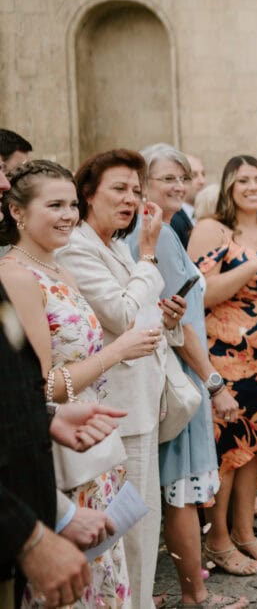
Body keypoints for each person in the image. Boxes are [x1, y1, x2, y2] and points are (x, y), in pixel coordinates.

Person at [0, 159, 168, 607]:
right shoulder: (16, 277)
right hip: (59, 457)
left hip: (97, 445)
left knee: (109, 581)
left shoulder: (61, 270)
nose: (69, 216)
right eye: (54, 205)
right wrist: (117, 351)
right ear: (18, 212)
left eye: (72, 205)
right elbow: (37, 390)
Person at [56, 149, 193, 607]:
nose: (131, 199)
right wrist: (150, 255)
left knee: (143, 523)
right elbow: (120, 313)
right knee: (129, 533)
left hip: (142, 400)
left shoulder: (113, 245)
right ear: (88, 195)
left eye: (136, 190)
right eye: (119, 188)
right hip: (116, 410)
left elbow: (143, 316)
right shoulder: (77, 246)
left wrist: (168, 315)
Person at [132, 144, 241, 606]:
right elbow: (176, 319)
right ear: (144, 184)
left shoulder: (164, 228)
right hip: (179, 372)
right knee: (181, 485)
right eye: (166, 179)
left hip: (173, 367)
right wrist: (213, 381)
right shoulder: (152, 231)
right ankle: (194, 594)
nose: (178, 186)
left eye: (183, 178)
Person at [188, 155, 257, 575]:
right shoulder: (212, 228)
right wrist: (253, 264)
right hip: (229, 355)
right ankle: (217, 540)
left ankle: (246, 535)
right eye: (243, 180)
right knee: (229, 450)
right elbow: (202, 294)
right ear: (228, 184)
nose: (253, 187)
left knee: (255, 448)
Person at [169, 152, 206, 249]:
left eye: (203, 174)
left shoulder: (207, 214)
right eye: (194, 175)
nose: (202, 181)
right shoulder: (172, 218)